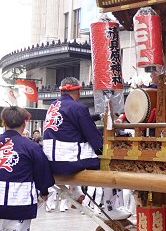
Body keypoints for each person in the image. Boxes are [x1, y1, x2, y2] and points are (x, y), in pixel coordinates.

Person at [42, 77, 130, 220]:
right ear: (78, 92)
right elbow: (92, 135)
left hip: (50, 161)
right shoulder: (79, 108)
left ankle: (76, 191)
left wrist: (97, 116)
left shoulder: (52, 106)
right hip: (67, 162)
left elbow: (74, 120)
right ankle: (111, 208)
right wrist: (104, 152)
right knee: (109, 163)